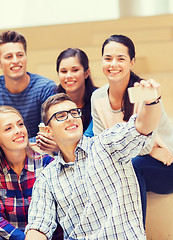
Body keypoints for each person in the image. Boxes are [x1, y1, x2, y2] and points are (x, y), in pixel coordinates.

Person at [25, 88, 162, 239]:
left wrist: (152, 101)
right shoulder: (47, 177)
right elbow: (38, 226)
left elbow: (143, 126)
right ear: (48, 131)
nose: (70, 118)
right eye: (61, 116)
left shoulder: (106, 144)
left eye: (74, 112)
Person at [91, 34, 173, 224]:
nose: (113, 64)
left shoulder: (144, 92)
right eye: (108, 58)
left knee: (132, 166)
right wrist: (151, 150)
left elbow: (142, 143)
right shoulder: (97, 97)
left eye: (121, 59)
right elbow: (100, 143)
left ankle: (136, 234)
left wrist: (148, 149)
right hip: (131, 164)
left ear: (132, 62)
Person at [0, 106, 55, 240]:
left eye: (20, 124)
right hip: (14, 237)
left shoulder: (47, 165)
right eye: (8, 128)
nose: (18, 131)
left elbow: (53, 215)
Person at [0, 30, 57, 151]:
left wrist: (16, 142)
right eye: (8, 57)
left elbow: (49, 130)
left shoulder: (46, 88)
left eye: (20, 55)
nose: (16, 60)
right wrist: (9, 142)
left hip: (38, 153)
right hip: (1, 154)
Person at [53, 48, 97, 137]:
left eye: (75, 70)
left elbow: (90, 136)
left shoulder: (98, 98)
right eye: (64, 71)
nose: (69, 76)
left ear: (86, 73)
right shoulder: (53, 103)